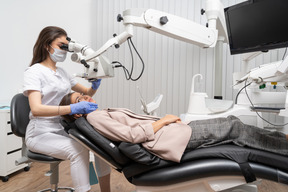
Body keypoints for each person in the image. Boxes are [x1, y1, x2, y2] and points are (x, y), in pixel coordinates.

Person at [60, 92, 288, 163]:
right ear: (77, 111)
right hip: (168, 139)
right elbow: (131, 136)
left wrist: (168, 121)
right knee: (235, 129)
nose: (87, 95)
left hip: (173, 131)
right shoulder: (95, 119)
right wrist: (165, 120)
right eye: (80, 97)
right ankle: (283, 149)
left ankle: (283, 140)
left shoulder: (99, 113)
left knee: (234, 124)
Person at [23, 26, 110, 192]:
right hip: (40, 132)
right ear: (46, 46)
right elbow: (36, 109)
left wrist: (95, 84)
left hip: (62, 128)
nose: (65, 50)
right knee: (77, 150)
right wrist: (72, 108)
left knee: (100, 145)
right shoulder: (34, 72)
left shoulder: (62, 72)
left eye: (66, 46)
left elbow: (87, 92)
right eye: (60, 45)